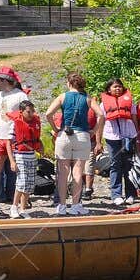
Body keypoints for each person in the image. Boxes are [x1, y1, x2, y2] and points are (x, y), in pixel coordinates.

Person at [44, 72, 94, 216]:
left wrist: (56, 130)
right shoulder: (87, 98)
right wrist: (95, 130)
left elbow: (48, 114)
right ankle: (76, 205)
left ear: (69, 83)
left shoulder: (63, 96)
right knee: (78, 172)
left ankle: (61, 205)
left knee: (62, 173)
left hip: (64, 135)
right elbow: (101, 115)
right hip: (82, 135)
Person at [98, 78, 138, 205]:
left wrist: (137, 137)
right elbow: (100, 123)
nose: (118, 89)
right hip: (112, 137)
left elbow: (134, 118)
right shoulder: (103, 105)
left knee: (129, 164)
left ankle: (131, 194)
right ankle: (116, 195)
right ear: (108, 89)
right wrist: (98, 142)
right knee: (115, 165)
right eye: (115, 87)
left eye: (120, 86)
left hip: (128, 136)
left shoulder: (130, 103)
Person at [0, 66, 27, 205]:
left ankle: (14, 196)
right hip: (1, 134)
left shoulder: (20, 95)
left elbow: (26, 114)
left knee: (15, 166)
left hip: (15, 135)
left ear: (7, 80)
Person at [6, 98, 42, 217]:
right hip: (20, 155)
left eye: (32, 111)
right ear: (21, 112)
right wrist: (12, 161)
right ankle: (14, 207)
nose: (31, 114)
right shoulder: (15, 123)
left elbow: (37, 139)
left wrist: (40, 146)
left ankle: (23, 209)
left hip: (31, 155)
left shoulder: (35, 122)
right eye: (28, 112)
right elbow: (8, 143)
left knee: (30, 183)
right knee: (22, 182)